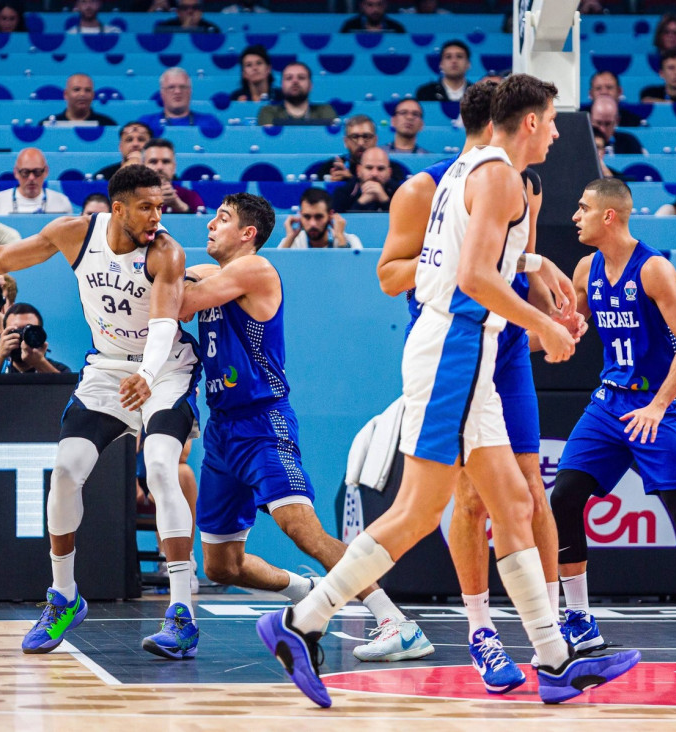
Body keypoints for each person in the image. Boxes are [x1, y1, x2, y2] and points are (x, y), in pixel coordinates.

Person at [256, 73, 641, 708]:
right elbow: (470, 277)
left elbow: (470, 258)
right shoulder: (494, 176)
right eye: (549, 120)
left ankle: (553, 660)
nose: (555, 131)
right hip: (455, 348)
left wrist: (535, 269)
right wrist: (544, 325)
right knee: (417, 510)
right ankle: (301, 622)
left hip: (469, 351)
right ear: (525, 123)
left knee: (514, 504)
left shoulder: (478, 171)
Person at [0, 165, 202, 659]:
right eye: (146, 206)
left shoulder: (166, 251)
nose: (156, 216)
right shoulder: (74, 235)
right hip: (106, 371)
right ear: (116, 208)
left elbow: (164, 323)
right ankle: (63, 596)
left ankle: (182, 612)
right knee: (63, 473)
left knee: (163, 468)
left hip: (163, 371)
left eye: (160, 206)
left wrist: (146, 375)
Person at [370, 79, 572, 684]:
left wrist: (543, 286)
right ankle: (481, 630)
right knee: (465, 497)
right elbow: (389, 275)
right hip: (451, 337)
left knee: (528, 492)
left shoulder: (519, 181)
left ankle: (556, 638)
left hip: (501, 341)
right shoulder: (423, 188)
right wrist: (449, 250)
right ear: (504, 123)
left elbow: (507, 262)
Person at [179, 192, 433, 657]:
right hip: (222, 432)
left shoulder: (256, 269)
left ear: (248, 233)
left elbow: (184, 300)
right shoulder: (220, 274)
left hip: (263, 422)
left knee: (303, 529)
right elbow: (196, 281)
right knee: (220, 566)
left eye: (223, 217)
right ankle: (304, 589)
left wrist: (149, 264)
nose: (210, 224)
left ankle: (396, 622)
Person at [556, 177, 676, 663]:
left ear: (608, 216)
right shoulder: (585, 268)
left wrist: (657, 407)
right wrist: (569, 328)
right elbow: (583, 319)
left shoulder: (652, 269)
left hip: (659, 402)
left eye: (583, 207)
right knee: (565, 495)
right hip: (609, 402)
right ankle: (580, 622)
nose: (576, 216)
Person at [0, 303, 70, 374]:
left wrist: (40, 363)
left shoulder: (58, 369)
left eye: (29, 331)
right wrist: (0, 354)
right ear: (4, 334)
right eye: (15, 331)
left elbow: (68, 393)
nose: (22, 338)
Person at [0, 148, 74, 215]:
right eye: (25, 172)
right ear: (16, 172)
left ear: (46, 171)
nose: (31, 178)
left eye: (37, 172)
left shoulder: (62, 202)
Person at [257, 62, 336, 127]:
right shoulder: (268, 111)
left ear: (310, 85)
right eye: (289, 78)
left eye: (301, 77)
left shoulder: (325, 111)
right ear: (282, 85)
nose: (295, 81)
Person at [276, 189, 361, 249]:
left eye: (319, 217)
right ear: (300, 215)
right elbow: (275, 271)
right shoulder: (292, 241)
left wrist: (341, 239)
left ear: (330, 215)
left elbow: (353, 271)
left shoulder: (350, 240)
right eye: (307, 216)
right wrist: (290, 237)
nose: (313, 223)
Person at [138, 68, 221, 130]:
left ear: (190, 92)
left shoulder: (209, 121)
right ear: (162, 93)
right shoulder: (146, 122)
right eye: (171, 87)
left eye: (183, 87)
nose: (177, 91)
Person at [143, 138, 205, 214]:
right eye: (153, 162)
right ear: (142, 167)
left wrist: (179, 206)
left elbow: (203, 224)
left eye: (166, 162)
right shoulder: (130, 195)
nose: (160, 167)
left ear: (174, 167)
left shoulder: (190, 195)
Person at [333, 147, 399, 213]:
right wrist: (361, 202)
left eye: (380, 169)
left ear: (389, 172)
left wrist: (384, 200)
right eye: (369, 168)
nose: (374, 174)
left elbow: (403, 220)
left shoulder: (399, 193)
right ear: (358, 170)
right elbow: (341, 222)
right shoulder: (343, 193)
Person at [312, 115, 377, 183]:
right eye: (354, 137)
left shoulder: (385, 166)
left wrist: (351, 180)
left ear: (375, 140)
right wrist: (333, 185)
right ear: (346, 142)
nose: (360, 143)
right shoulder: (329, 167)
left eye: (366, 136)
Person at [39, 73, 117, 126]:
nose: (82, 94)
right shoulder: (47, 125)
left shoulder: (107, 124)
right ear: (66, 94)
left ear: (93, 95)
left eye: (87, 90)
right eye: (76, 89)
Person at [154, 0, 220, 33]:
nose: (190, 11)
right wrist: (183, 30)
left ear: (201, 11)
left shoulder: (211, 29)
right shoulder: (165, 28)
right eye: (185, 8)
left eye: (195, 7)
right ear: (178, 12)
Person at [341, 0, 405, 34]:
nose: (375, 9)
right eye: (370, 5)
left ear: (385, 5)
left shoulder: (396, 29)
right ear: (362, 6)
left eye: (379, 4)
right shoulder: (350, 27)